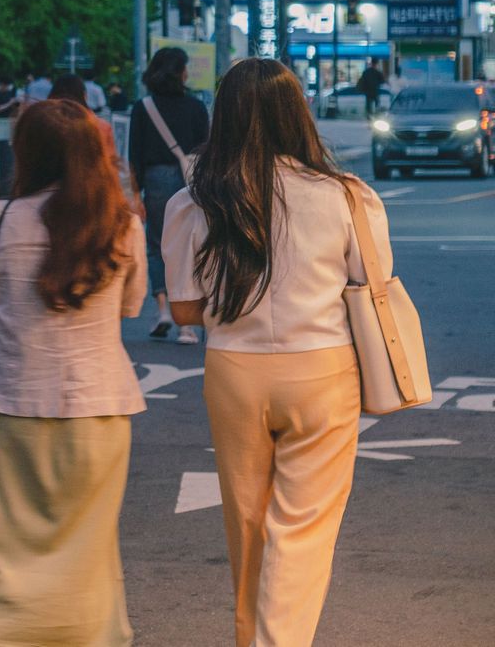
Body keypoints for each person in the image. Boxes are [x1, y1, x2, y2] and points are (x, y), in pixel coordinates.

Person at [163, 58, 395, 647]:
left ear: (226, 116)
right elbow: (374, 281)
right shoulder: (345, 196)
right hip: (322, 369)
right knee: (303, 528)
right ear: (299, 114)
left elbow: (185, 312)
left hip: (234, 371)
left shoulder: (193, 201)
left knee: (246, 524)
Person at [0, 98, 146, 647]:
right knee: (89, 552)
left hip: (11, 406)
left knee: (6, 550)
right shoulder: (123, 224)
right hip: (100, 411)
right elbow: (131, 307)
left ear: (25, 153)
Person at [128, 46, 209, 344]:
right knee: (191, 246)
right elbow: (207, 148)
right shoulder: (196, 107)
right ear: (179, 72)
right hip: (192, 180)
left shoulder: (143, 107)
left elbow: (133, 155)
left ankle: (162, 310)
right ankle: (186, 325)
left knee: (157, 245)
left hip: (157, 180)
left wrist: (136, 196)